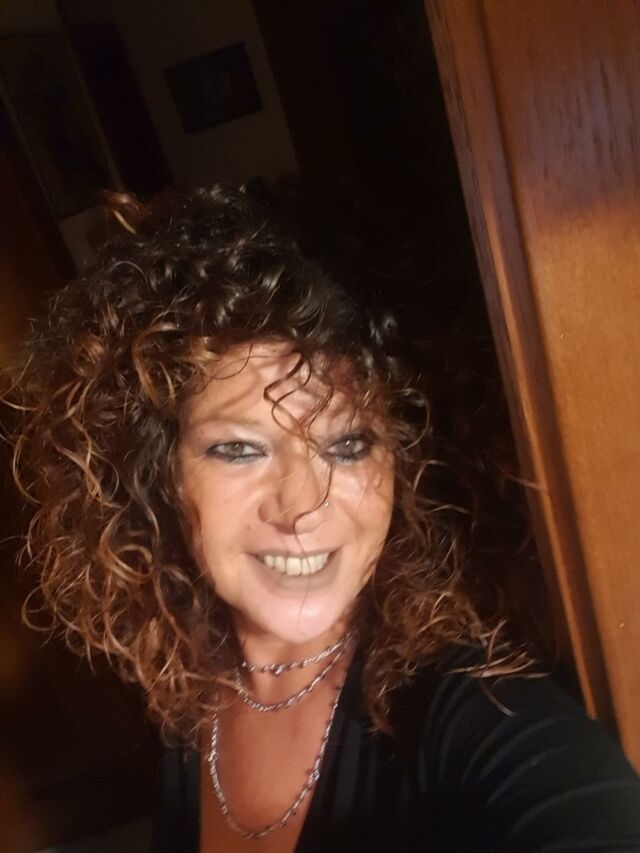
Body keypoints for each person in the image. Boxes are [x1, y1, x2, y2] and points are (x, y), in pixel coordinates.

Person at [6, 185, 640, 853]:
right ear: (159, 476)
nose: (303, 503)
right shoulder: (189, 676)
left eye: (348, 444)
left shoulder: (478, 712)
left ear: (403, 460)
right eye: (239, 448)